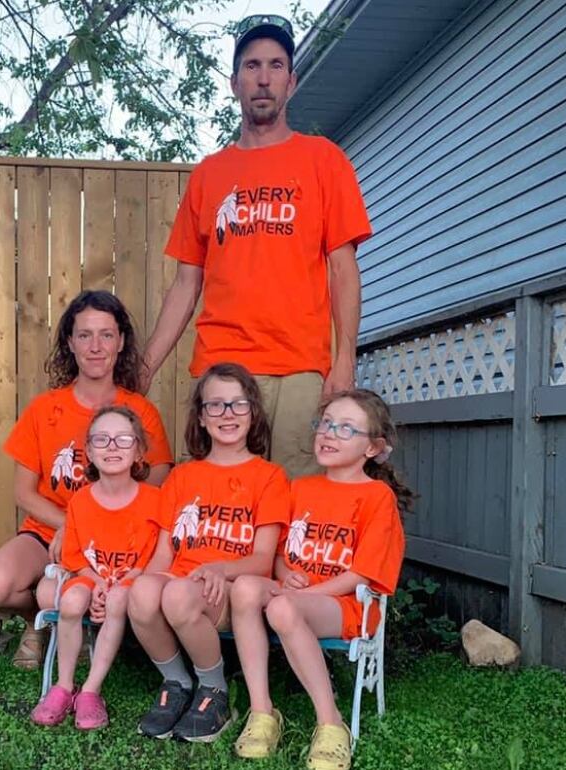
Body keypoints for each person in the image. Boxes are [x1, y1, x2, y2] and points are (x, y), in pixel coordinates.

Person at [141, 14, 372, 478]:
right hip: (223, 366)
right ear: (234, 82)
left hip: (300, 371)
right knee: (221, 505)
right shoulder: (209, 174)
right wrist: (142, 370)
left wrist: (344, 362)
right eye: (251, 66)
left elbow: (344, 270)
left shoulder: (324, 160)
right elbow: (186, 285)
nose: (263, 78)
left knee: (296, 504)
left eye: (275, 65)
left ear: (291, 80)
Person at [0, 291, 172, 670]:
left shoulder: (141, 411)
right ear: (69, 342)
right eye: (84, 335)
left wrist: (98, 525)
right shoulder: (45, 409)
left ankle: (86, 624)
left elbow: (159, 481)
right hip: (51, 529)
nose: (95, 347)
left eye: (106, 335)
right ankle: (39, 621)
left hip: (118, 538)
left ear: (121, 341)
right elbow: (23, 492)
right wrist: (72, 525)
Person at [229, 389, 415, 770]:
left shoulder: (376, 497)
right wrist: (287, 574)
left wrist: (303, 593)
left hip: (346, 605)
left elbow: (362, 574)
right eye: (326, 424)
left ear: (372, 447)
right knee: (246, 587)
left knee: (280, 607)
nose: (329, 434)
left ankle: (331, 724)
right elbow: (279, 553)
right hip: (295, 595)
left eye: (346, 429)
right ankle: (263, 713)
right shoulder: (300, 489)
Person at [127, 362, 290, 743]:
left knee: (177, 593)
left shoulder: (269, 477)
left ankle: (215, 691)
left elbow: (263, 559)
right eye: (215, 405)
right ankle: (177, 683)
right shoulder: (182, 477)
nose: (227, 414)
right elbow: (165, 554)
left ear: (253, 412)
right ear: (201, 417)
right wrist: (131, 582)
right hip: (182, 583)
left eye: (238, 404)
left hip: (229, 591)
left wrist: (219, 568)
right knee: (142, 592)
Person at [30, 406, 160, 730]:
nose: (112, 447)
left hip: (131, 581)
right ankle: (63, 685)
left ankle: (91, 690)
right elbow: (74, 558)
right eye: (102, 439)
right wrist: (97, 582)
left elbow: (150, 558)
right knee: (72, 602)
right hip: (90, 577)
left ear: (140, 450)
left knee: (117, 601)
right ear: (88, 451)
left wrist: (115, 586)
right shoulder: (81, 501)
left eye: (123, 439)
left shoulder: (154, 500)